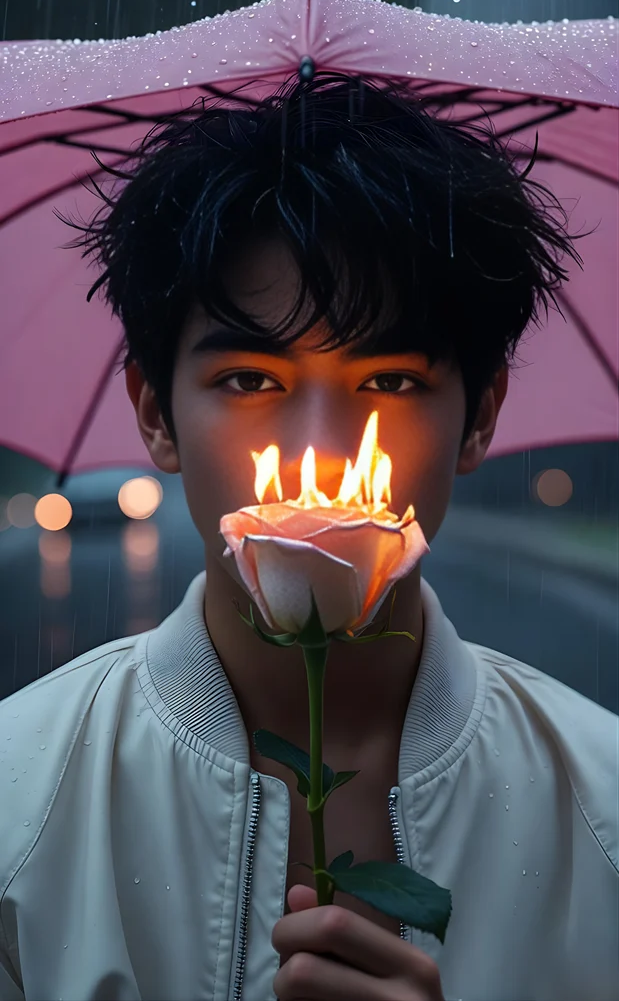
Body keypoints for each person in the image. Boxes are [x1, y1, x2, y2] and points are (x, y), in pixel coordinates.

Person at [0, 72, 617, 1001]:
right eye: (251, 380)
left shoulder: (601, 815)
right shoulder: (19, 802)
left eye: (391, 383)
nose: (321, 458)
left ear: (480, 417)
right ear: (155, 413)